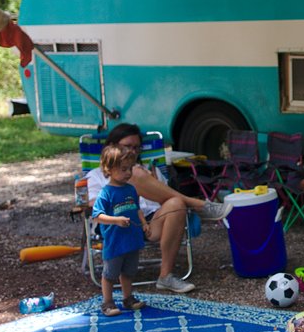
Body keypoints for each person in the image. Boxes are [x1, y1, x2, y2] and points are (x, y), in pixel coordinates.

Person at [86, 123, 232, 293]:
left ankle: (166, 276)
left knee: (177, 204)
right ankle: (199, 205)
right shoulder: (96, 175)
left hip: (150, 223)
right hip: (118, 225)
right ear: (112, 146)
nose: (132, 152)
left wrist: (152, 182)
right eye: (127, 146)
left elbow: (168, 200)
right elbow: (92, 205)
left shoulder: (149, 170)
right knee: (136, 176)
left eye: (136, 148)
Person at [91, 146, 148, 316]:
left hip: (132, 239)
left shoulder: (131, 189)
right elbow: (97, 216)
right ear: (109, 169)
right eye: (123, 169)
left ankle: (128, 297)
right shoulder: (106, 193)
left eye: (130, 168)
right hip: (115, 241)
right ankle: (107, 303)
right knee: (110, 274)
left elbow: (137, 209)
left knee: (129, 271)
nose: (128, 173)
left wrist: (144, 223)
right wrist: (116, 221)